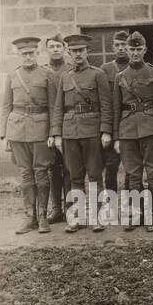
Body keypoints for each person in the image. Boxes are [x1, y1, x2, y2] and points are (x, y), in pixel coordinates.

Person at [0, 36, 58, 234]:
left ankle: (42, 216)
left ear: (37, 53)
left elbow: (53, 107)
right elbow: (6, 105)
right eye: (24, 54)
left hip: (41, 128)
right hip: (16, 129)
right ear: (18, 55)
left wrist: (53, 132)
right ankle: (29, 217)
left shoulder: (47, 75)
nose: (28, 57)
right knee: (25, 173)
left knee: (41, 172)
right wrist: (4, 134)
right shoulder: (12, 75)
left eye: (31, 53)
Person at [55, 34, 112, 233]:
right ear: (69, 53)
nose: (77, 54)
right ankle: (77, 218)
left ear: (87, 51)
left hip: (92, 130)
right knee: (74, 176)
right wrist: (56, 134)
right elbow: (58, 108)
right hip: (70, 132)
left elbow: (106, 105)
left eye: (81, 50)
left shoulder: (98, 75)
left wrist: (106, 130)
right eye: (73, 51)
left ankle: (98, 217)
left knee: (95, 174)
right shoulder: (65, 77)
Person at [113, 32, 153, 231]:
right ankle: (137, 215)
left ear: (145, 50)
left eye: (138, 49)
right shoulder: (120, 77)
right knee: (133, 175)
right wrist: (117, 137)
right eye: (131, 49)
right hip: (127, 131)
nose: (135, 53)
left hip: (151, 129)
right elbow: (116, 109)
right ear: (126, 50)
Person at [43, 34, 70, 223]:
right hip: (47, 126)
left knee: (70, 167)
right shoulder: (42, 71)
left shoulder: (71, 69)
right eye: (51, 46)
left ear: (64, 48)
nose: (55, 49)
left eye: (58, 46)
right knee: (52, 168)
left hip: (68, 124)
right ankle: (56, 209)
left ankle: (70, 207)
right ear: (47, 50)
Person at [100, 28, 131, 193]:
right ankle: (111, 205)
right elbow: (103, 100)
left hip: (131, 122)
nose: (121, 48)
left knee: (131, 167)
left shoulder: (137, 67)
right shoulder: (105, 69)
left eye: (124, 44)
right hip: (112, 124)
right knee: (111, 166)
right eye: (117, 45)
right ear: (113, 48)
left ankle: (129, 205)